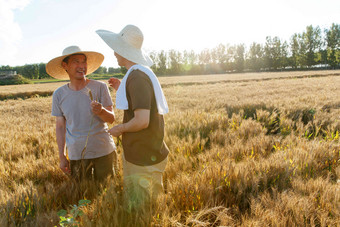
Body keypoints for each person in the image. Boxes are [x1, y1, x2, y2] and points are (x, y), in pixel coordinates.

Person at [96, 25, 169, 209]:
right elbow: (143, 103)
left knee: (142, 209)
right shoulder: (139, 74)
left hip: (142, 157)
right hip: (147, 152)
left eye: (116, 48)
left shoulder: (137, 78)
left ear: (124, 51)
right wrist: (121, 88)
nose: (114, 52)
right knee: (151, 206)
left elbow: (142, 120)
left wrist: (119, 129)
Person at [47, 46, 117, 183]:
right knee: (81, 195)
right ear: (65, 65)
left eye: (84, 61)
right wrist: (62, 156)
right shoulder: (59, 94)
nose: (81, 66)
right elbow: (60, 127)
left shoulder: (100, 87)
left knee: (107, 196)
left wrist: (101, 111)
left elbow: (111, 119)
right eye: (76, 61)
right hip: (76, 155)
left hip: (104, 152)